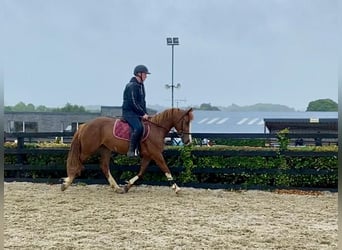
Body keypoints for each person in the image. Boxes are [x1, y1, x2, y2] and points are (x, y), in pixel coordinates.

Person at [122, 65, 150, 157]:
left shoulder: (141, 86)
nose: (146, 76)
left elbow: (143, 102)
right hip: (129, 113)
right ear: (139, 74)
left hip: (137, 113)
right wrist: (142, 113)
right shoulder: (131, 86)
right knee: (138, 128)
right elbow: (133, 102)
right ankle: (131, 150)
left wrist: (146, 113)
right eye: (145, 74)